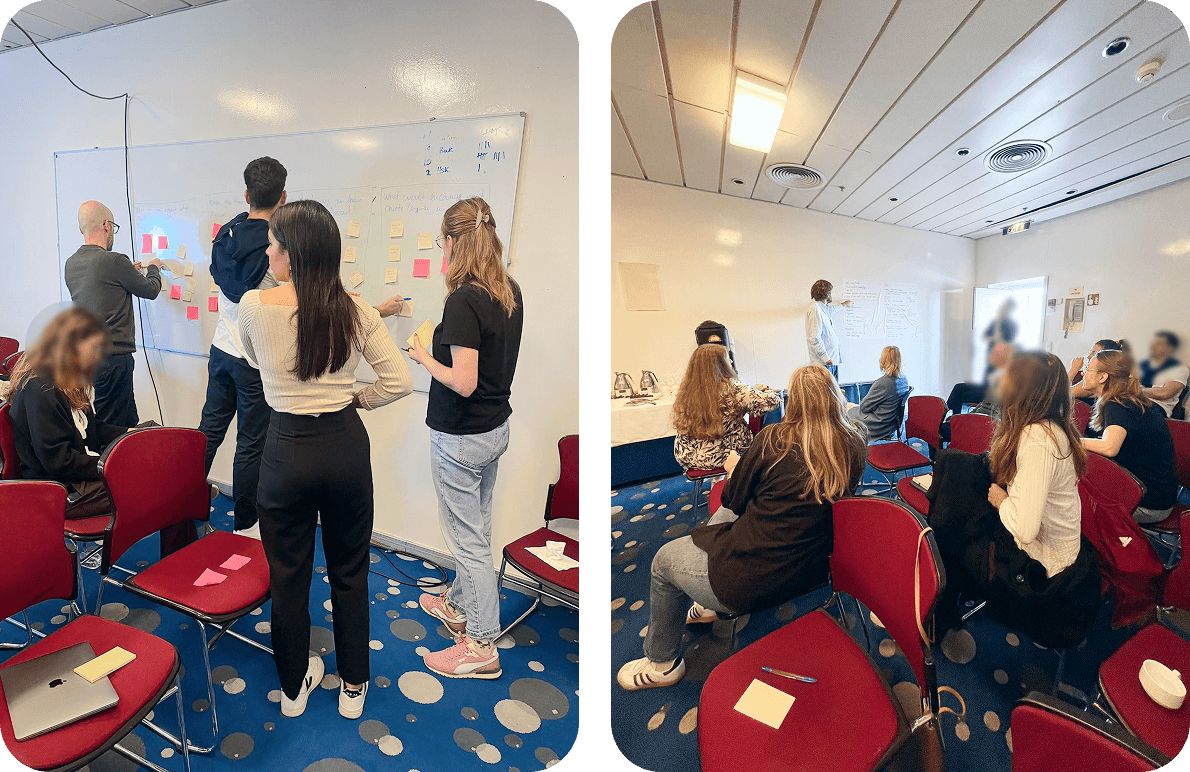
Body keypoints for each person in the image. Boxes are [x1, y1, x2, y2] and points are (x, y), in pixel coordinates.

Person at [238, 199, 413, 720]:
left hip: (285, 451)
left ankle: (293, 689)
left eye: (273, 244)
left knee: (288, 576)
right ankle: (353, 687)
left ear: (292, 255)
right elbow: (399, 381)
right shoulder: (356, 309)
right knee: (351, 572)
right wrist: (354, 398)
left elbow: (252, 358)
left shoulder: (253, 306)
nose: (268, 252)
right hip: (344, 449)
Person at [616, 364, 868, 690]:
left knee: (663, 561)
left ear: (794, 401)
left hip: (754, 578)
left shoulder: (773, 439)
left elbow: (734, 500)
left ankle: (662, 662)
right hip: (814, 567)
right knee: (721, 522)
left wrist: (736, 469)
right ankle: (706, 604)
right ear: (835, 396)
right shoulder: (855, 442)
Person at [405, 197, 522, 680]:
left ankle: (480, 644)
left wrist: (422, 356)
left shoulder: (462, 299)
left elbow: (464, 380)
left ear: (453, 242)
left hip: (461, 438)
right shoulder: (507, 290)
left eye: (442, 242)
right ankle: (458, 604)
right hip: (494, 431)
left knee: (469, 541)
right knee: (477, 530)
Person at [931, 352, 1100, 650]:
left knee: (954, 537)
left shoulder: (1037, 439)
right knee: (959, 474)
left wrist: (1000, 500)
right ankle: (944, 600)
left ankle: (941, 608)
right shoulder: (1050, 427)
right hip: (1049, 547)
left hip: (1041, 574)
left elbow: (1024, 528)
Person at [198, 157, 287, 540]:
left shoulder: (228, 234)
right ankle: (245, 528)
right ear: (283, 197)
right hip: (255, 359)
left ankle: (178, 507)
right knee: (251, 445)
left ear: (246, 194)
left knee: (208, 431)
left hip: (221, 351)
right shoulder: (278, 246)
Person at [6, 308, 126, 519]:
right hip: (58, 490)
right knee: (148, 484)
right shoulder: (40, 389)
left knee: (153, 441)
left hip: (78, 477)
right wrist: (110, 464)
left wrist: (129, 433)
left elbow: (92, 429)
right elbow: (58, 461)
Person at [64, 201, 164, 427]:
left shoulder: (71, 264)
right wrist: (154, 268)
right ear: (106, 225)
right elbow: (151, 290)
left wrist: (130, 272)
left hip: (90, 358)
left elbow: (103, 288)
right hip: (115, 360)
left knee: (128, 421)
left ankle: (127, 460)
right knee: (112, 427)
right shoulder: (115, 261)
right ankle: (108, 462)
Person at [1079, 350, 1178, 524]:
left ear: (1103, 377)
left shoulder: (1118, 403)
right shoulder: (1124, 399)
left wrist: (1070, 441)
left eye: (1088, 369)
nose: (1083, 373)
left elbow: (1110, 447)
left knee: (1069, 504)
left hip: (1148, 503)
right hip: (1154, 495)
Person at [671, 344, 781, 471]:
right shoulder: (732, 388)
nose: (731, 361)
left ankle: (717, 482)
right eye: (727, 358)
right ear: (720, 364)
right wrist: (768, 391)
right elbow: (772, 402)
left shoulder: (686, 388)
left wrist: (752, 390)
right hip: (723, 455)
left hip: (688, 455)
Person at [845, 345, 910, 441]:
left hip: (878, 425)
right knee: (852, 407)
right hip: (893, 423)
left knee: (845, 409)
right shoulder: (904, 379)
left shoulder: (883, 383)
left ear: (884, 360)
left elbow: (864, 407)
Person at [804, 279, 852, 379]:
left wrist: (843, 305)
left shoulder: (821, 307)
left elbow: (829, 311)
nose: (831, 295)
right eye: (830, 292)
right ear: (825, 293)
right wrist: (826, 358)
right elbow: (814, 338)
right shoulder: (815, 308)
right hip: (824, 364)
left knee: (832, 393)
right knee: (827, 394)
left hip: (830, 362)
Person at [1138, 331, 1188, 419]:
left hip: (1156, 406)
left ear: (1171, 348)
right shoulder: (1143, 364)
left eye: (1159, 344)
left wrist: (1135, 390)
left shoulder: (1180, 368)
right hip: (1135, 401)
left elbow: (1164, 393)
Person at [1069, 339, 1122, 403]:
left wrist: (1073, 370)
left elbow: (1061, 393)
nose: (1089, 356)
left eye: (1094, 353)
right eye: (1090, 352)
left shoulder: (1095, 380)